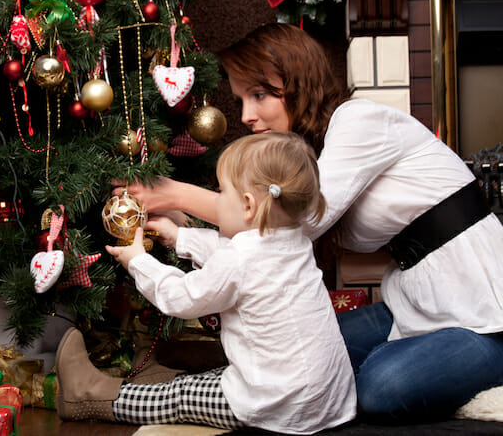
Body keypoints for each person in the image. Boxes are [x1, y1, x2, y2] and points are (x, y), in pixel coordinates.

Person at [113, 22, 503, 422]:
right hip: (416, 301)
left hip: (482, 307)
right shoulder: (308, 157)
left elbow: (298, 222)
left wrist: (176, 194)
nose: (246, 115)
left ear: (298, 81)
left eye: (259, 94)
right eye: (241, 99)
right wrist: (182, 229)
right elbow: (264, 247)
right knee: (309, 362)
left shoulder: (359, 120)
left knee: (380, 389)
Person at [54, 132, 357, 434]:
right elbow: (233, 254)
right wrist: (179, 237)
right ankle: (147, 373)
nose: (217, 198)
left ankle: (90, 396)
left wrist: (138, 261)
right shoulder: (294, 242)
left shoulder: (241, 259)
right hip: (329, 400)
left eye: (222, 191)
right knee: (216, 377)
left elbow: (180, 297)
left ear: (248, 206)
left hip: (282, 405)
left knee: (180, 396)